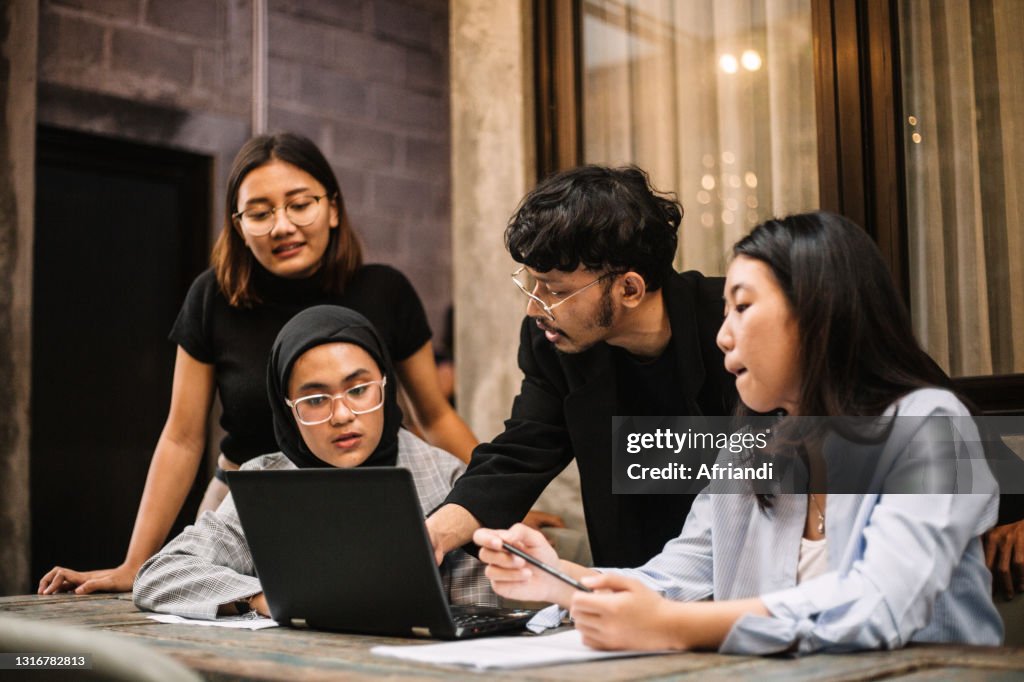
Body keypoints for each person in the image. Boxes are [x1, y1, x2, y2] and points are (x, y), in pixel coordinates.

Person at [474, 211, 1003, 655]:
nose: (724, 335)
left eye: (744, 308)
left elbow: (878, 604)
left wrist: (671, 627)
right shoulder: (756, 448)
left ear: (820, 313)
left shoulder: (929, 425)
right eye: (724, 312)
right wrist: (561, 579)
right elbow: (674, 579)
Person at [39, 132, 476, 595]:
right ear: (239, 225)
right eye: (260, 213)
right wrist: (135, 563)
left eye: (299, 204)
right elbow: (183, 437)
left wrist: (488, 493)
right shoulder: (213, 298)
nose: (282, 226)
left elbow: (435, 415)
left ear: (332, 207)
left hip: (366, 491)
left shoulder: (385, 291)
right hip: (243, 500)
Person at [426, 165, 736, 569]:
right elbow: (522, 450)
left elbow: (786, 465)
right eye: (531, 283)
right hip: (630, 582)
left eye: (554, 290)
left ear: (629, 288)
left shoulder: (731, 325)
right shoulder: (553, 343)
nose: (533, 308)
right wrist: (434, 534)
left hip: (744, 579)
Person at [134, 306, 495, 618]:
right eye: (317, 399)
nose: (341, 415)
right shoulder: (266, 483)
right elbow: (160, 574)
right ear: (287, 409)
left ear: (385, 386)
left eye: (358, 390)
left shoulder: (447, 479)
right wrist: (264, 598)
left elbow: (478, 616)